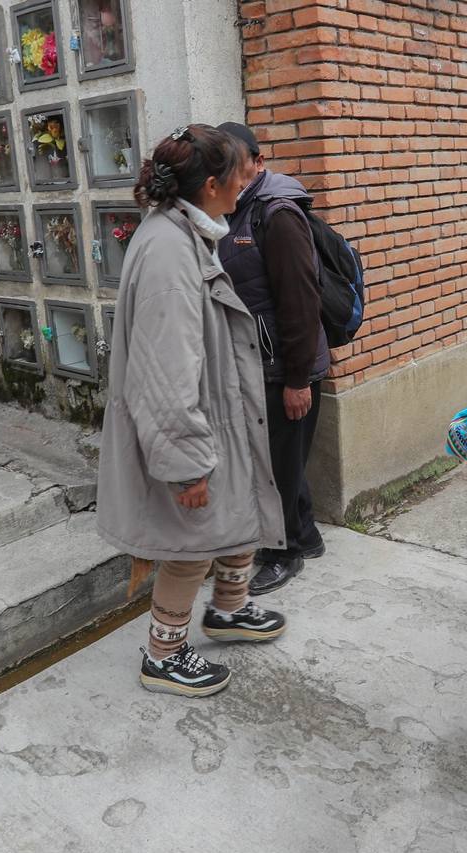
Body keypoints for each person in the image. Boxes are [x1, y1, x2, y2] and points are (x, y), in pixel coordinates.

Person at [97, 124, 288, 698]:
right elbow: (165, 371)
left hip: (215, 410)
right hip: (189, 421)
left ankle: (228, 609)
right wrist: (186, 465)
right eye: (238, 172)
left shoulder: (182, 231)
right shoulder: (169, 252)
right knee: (191, 543)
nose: (247, 179)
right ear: (210, 184)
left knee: (237, 510)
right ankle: (164, 656)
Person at [215, 122, 328, 596]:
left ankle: (284, 554)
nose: (229, 174)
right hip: (261, 361)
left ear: (258, 162)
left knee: (275, 467)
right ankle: (308, 536)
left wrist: (297, 379)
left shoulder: (276, 214)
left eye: (236, 164)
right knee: (282, 457)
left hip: (286, 366)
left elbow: (301, 301)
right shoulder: (235, 211)